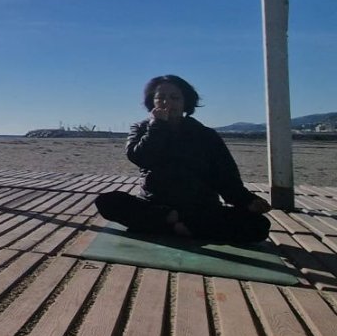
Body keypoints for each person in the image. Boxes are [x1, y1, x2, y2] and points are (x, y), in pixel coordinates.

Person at [95, 75, 271, 243]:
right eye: (161, 97)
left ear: (185, 102)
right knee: (107, 202)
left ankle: (171, 226)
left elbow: (226, 178)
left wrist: (247, 201)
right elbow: (140, 157)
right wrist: (158, 127)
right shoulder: (141, 128)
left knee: (259, 226)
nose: (167, 102)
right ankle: (178, 225)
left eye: (175, 98)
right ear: (152, 102)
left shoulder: (206, 135)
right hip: (156, 206)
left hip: (200, 208)